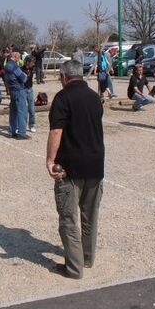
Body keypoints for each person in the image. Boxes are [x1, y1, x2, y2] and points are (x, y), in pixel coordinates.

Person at [46, 60, 105, 279]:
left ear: (63, 76)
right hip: (95, 164)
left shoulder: (63, 98)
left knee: (68, 218)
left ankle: (74, 268)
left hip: (70, 167)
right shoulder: (94, 97)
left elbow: (56, 132)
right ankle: (87, 258)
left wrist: (50, 160)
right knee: (90, 215)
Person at [4, 51, 28, 138]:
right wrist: (25, 75)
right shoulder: (14, 66)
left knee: (13, 111)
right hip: (19, 89)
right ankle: (22, 133)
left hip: (12, 89)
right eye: (18, 57)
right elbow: (23, 78)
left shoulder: (7, 65)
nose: (19, 59)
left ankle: (12, 131)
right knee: (22, 111)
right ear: (15, 57)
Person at [22, 55, 38, 132]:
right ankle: (23, 125)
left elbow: (38, 55)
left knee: (31, 109)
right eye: (32, 62)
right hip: (23, 90)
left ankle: (32, 124)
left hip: (30, 90)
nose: (34, 64)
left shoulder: (32, 68)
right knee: (24, 109)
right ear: (28, 62)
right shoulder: (21, 69)